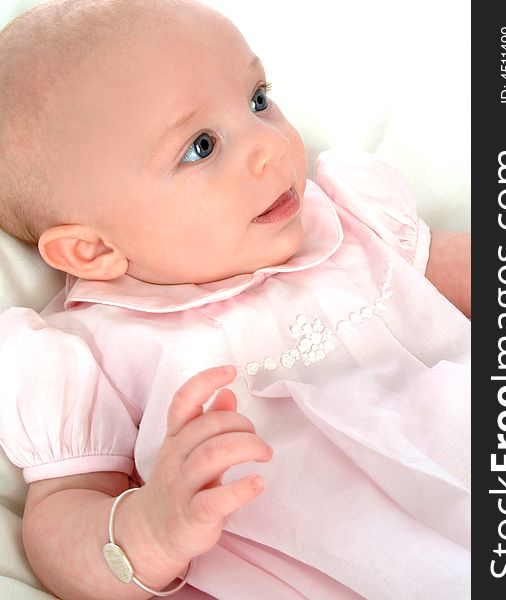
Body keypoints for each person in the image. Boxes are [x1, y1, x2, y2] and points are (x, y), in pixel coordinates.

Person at [0, 0, 471, 598]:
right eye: (200, 146)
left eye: (257, 99)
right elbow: (58, 519)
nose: (268, 147)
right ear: (92, 251)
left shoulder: (350, 220)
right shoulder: (91, 351)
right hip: (352, 559)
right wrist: (148, 531)